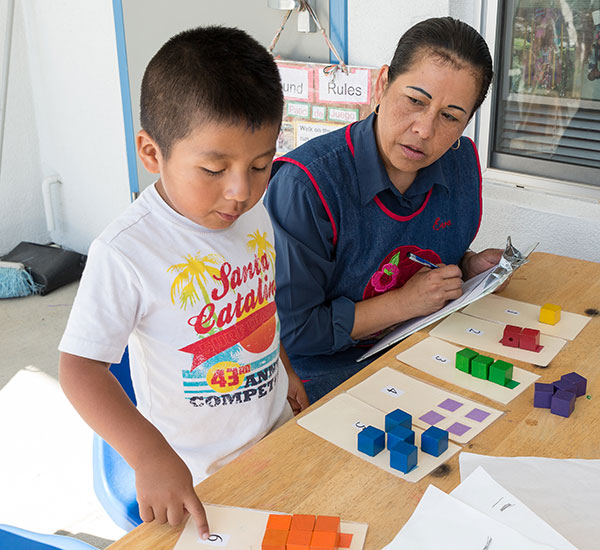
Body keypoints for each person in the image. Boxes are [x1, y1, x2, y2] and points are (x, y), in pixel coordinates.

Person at [58, 26, 308, 540]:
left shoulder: (253, 214)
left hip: (279, 435)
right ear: (152, 154)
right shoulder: (127, 250)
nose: (240, 191)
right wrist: (149, 456)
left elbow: (259, 307)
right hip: (198, 477)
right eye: (214, 168)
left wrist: (285, 370)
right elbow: (80, 368)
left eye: (261, 164)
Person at [265, 17, 503, 403]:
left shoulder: (460, 164)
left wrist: (468, 270)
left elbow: (429, 257)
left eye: (450, 116)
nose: (424, 129)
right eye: (415, 100)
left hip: (420, 350)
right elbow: (297, 332)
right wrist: (404, 303)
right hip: (323, 378)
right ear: (381, 84)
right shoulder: (306, 186)